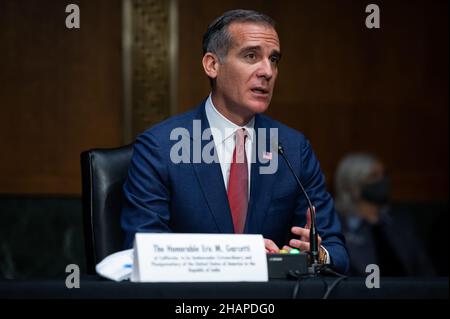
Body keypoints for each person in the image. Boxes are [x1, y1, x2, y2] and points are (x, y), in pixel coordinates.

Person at [121, 9, 349, 274]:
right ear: (212, 65)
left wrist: (316, 253)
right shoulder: (160, 147)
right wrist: (243, 256)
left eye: (273, 59)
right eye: (251, 56)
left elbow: (338, 252)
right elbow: (143, 250)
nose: (268, 71)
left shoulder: (293, 149)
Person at [334, 153, 436, 276]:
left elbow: (424, 269)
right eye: (374, 176)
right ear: (353, 185)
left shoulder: (401, 222)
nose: (382, 181)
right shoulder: (335, 227)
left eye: (384, 174)